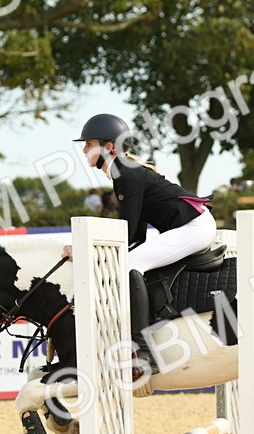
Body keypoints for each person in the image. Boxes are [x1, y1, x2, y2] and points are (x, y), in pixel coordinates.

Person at [63, 113, 216, 377]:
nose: (84, 149)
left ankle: (142, 351)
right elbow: (136, 237)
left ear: (108, 147)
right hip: (194, 224)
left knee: (131, 264)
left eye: (88, 144)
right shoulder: (123, 172)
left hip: (194, 227)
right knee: (134, 258)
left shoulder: (125, 173)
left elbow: (126, 234)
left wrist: (85, 252)